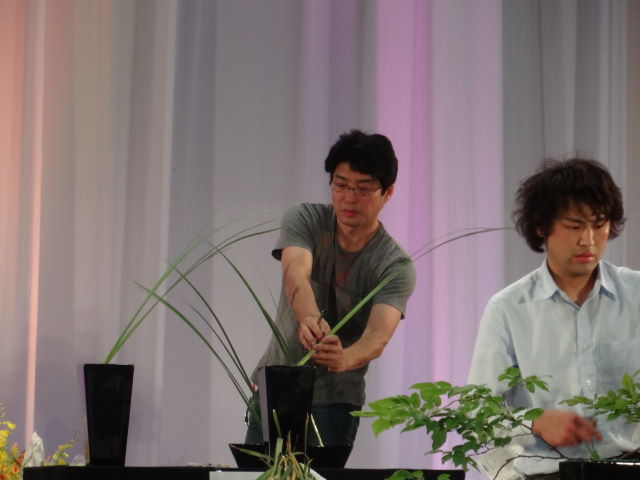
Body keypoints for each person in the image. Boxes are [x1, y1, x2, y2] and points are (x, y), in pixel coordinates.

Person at [468, 158, 640, 480]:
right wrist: (533, 422)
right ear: (541, 227)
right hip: (547, 473)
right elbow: (477, 416)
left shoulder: (637, 295)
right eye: (574, 226)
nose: (589, 240)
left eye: (599, 224)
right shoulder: (508, 309)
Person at [245, 129, 416, 447]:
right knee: (257, 469)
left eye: (363, 188)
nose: (350, 198)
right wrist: (310, 318)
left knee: (319, 471)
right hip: (278, 382)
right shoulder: (306, 218)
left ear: (388, 192)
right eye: (341, 185)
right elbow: (296, 272)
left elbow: (377, 336)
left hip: (336, 398)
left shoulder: (394, 264)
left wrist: (344, 358)